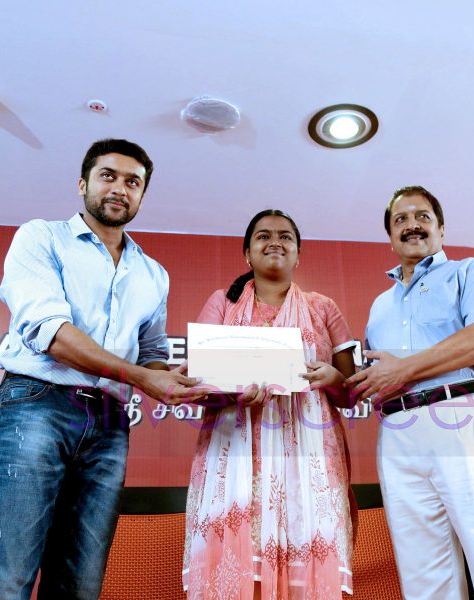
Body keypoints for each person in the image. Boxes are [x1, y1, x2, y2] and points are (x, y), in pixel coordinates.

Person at [0, 139, 204, 599]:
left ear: (141, 196)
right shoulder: (41, 236)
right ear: (83, 184)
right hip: (37, 404)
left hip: (111, 424)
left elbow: (151, 350)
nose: (120, 188)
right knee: (7, 578)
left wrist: (174, 376)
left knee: (80, 584)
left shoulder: (154, 273)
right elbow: (51, 333)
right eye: (108, 176)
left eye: (133, 182)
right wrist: (141, 376)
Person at [347, 187, 474, 600]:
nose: (411, 224)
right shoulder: (381, 304)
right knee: (422, 572)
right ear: (390, 237)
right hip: (397, 431)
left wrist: (403, 368)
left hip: (462, 414)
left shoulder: (471, 271)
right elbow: (381, 373)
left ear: (441, 227)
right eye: (400, 220)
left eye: (422, 216)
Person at [182, 209, 356, 600]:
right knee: (240, 567)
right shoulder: (222, 304)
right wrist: (231, 392)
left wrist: (332, 378)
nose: (274, 241)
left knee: (307, 563)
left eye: (285, 237)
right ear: (247, 253)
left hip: (308, 459)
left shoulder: (322, 308)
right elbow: (197, 384)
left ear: (299, 254)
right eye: (263, 235)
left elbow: (351, 394)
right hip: (235, 452)